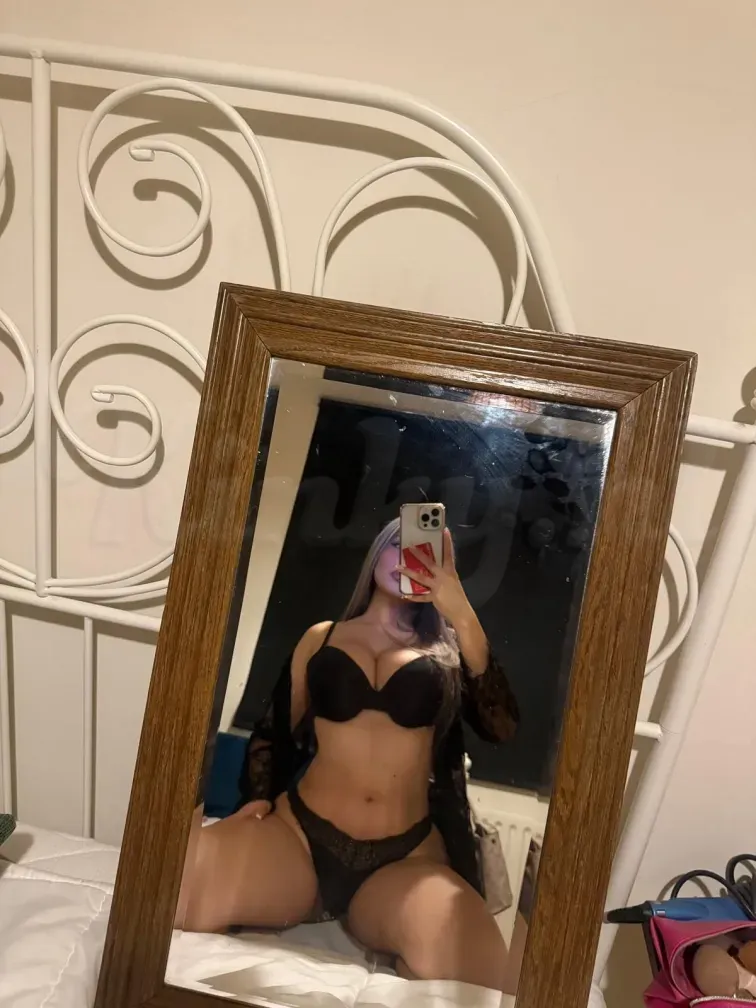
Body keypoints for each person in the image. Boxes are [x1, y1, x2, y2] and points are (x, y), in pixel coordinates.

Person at [176, 518, 520, 992]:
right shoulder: (322, 637)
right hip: (299, 835)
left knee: (488, 977)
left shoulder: (447, 655)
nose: (410, 557)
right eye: (400, 544)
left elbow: (502, 726)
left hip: (406, 858)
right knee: (174, 885)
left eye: (428, 552)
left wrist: (461, 613)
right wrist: (255, 799)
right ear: (375, 552)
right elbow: (274, 731)